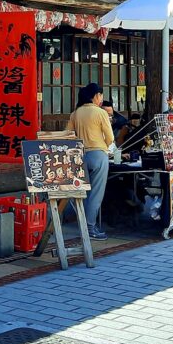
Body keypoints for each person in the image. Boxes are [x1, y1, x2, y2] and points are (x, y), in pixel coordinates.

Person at [65, 82, 114, 240]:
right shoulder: (101, 113)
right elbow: (111, 138)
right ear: (96, 96)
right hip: (98, 154)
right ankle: (90, 227)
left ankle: (82, 222)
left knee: (82, 192)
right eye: (101, 95)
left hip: (80, 156)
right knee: (95, 194)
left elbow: (67, 134)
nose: (101, 99)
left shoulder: (76, 113)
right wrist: (103, 147)